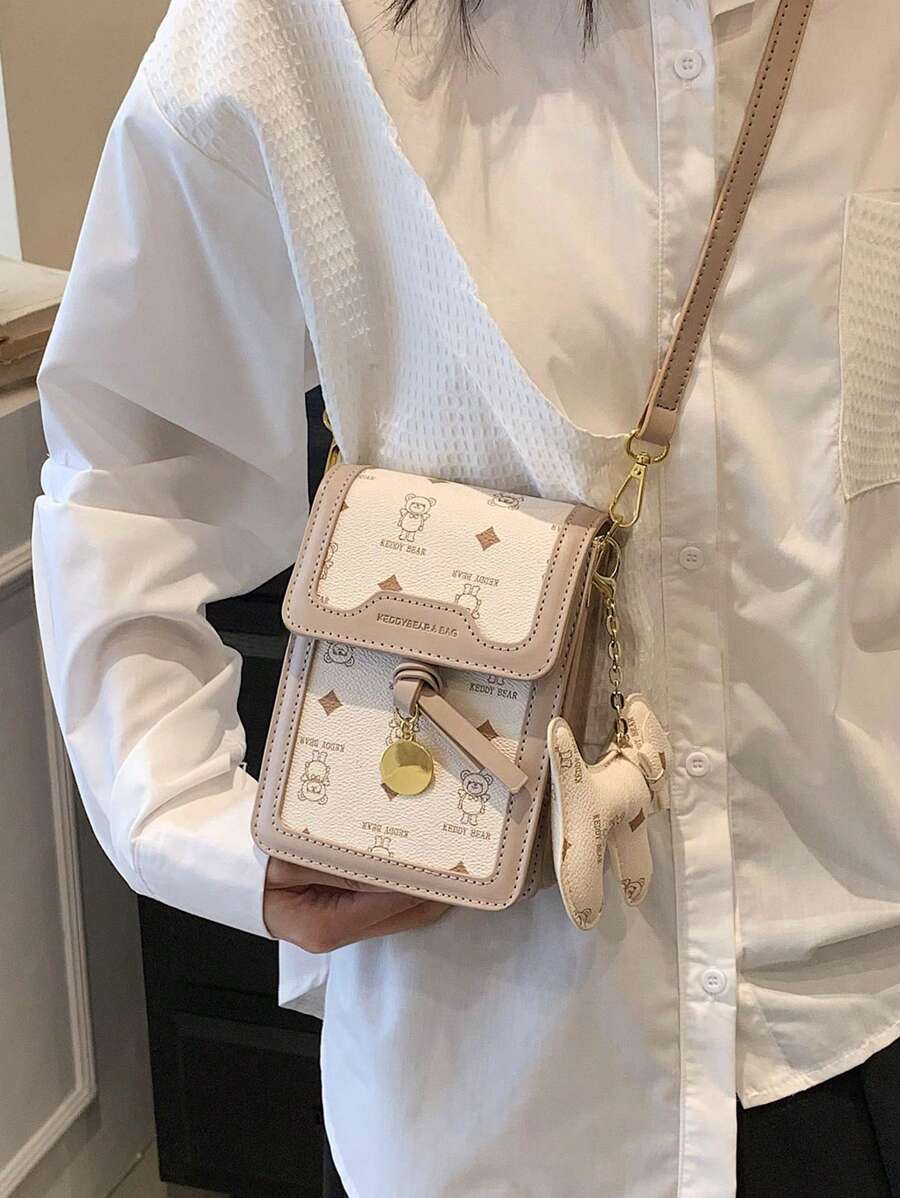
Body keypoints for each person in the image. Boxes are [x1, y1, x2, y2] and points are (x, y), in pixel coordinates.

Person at [31, 0, 900, 1195]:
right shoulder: (297, 26)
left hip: (862, 1006)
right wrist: (196, 821)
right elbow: (133, 467)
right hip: (492, 1062)